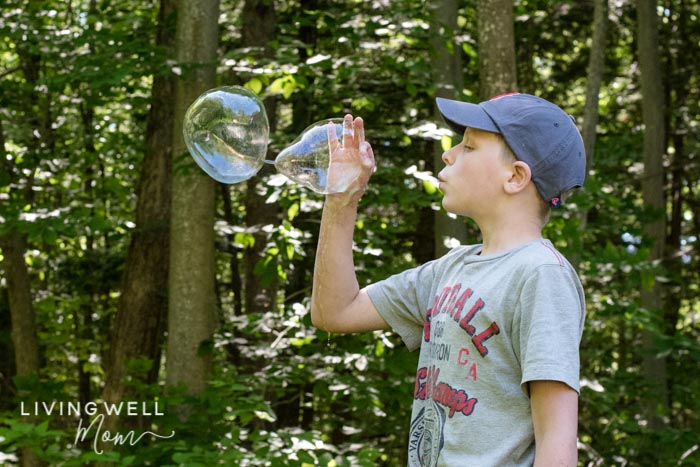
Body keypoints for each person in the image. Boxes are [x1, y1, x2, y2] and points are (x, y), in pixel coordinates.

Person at [311, 92, 586, 466]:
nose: (449, 154)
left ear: (516, 176)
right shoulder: (451, 268)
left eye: (469, 146)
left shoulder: (540, 275)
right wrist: (342, 198)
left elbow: (557, 440)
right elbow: (335, 311)